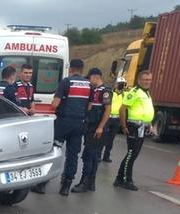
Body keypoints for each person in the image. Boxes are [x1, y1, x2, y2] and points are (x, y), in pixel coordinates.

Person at [32, 58, 91, 196]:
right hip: (79, 123)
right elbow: (90, 106)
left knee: (53, 150)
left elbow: (55, 103)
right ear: (82, 69)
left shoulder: (66, 82)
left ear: (71, 69)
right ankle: (66, 186)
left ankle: (42, 184)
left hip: (63, 122)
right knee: (73, 155)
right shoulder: (89, 85)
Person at [72, 68, 111, 193]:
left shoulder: (105, 91)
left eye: (90, 79)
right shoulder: (95, 91)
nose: (89, 81)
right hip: (91, 127)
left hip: (97, 128)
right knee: (93, 156)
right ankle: (91, 183)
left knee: (88, 156)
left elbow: (108, 110)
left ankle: (84, 183)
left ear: (95, 77)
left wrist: (100, 127)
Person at [115, 70, 155, 190]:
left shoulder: (146, 93)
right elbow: (122, 109)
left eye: (149, 80)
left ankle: (119, 179)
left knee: (134, 154)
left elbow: (145, 111)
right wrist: (123, 126)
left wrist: (150, 124)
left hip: (142, 127)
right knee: (131, 154)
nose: (147, 82)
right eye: (145, 80)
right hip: (134, 127)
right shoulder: (135, 92)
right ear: (139, 80)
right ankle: (126, 180)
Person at [101, 77, 126, 162]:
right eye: (120, 84)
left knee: (111, 138)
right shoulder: (111, 93)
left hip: (116, 119)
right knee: (103, 136)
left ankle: (106, 155)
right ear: (116, 84)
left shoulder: (124, 95)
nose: (121, 85)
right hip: (108, 117)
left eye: (123, 84)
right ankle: (98, 155)